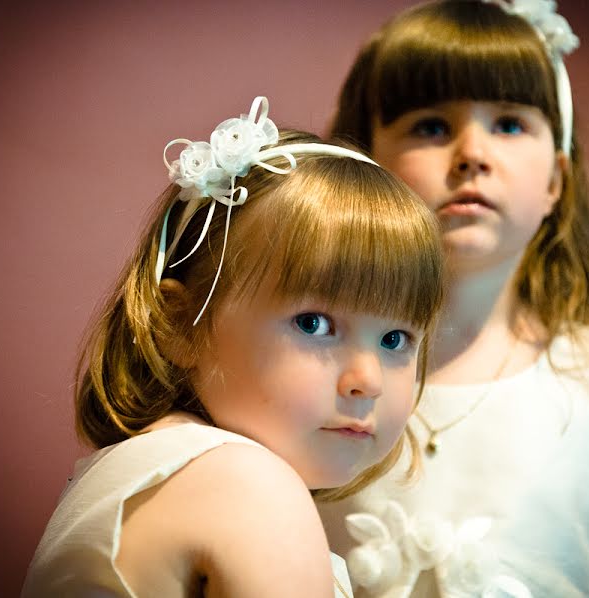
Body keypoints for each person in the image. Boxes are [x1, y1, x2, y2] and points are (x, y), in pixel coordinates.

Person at [317, 2, 589, 597]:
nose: (471, 154)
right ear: (368, 165)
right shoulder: (313, 363)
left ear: (556, 182)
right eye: (430, 126)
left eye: (508, 124)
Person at [22, 96, 444, 598]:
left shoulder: (136, 473)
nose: (368, 380)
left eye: (395, 339)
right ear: (178, 325)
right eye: (313, 323)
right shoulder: (249, 485)